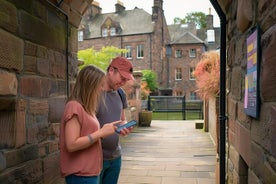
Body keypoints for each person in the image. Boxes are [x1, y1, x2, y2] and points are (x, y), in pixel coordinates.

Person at [59, 65, 121, 184]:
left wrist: (105, 130)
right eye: (100, 85)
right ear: (90, 85)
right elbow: (71, 144)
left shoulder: (87, 107)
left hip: (90, 172)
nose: (102, 89)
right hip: (80, 174)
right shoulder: (74, 106)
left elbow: (88, 133)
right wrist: (100, 133)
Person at [97, 56, 135, 184]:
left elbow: (122, 119)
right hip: (96, 159)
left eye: (126, 79)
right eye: (122, 78)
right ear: (111, 70)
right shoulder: (94, 93)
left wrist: (124, 126)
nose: (123, 82)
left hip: (115, 158)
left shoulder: (120, 93)